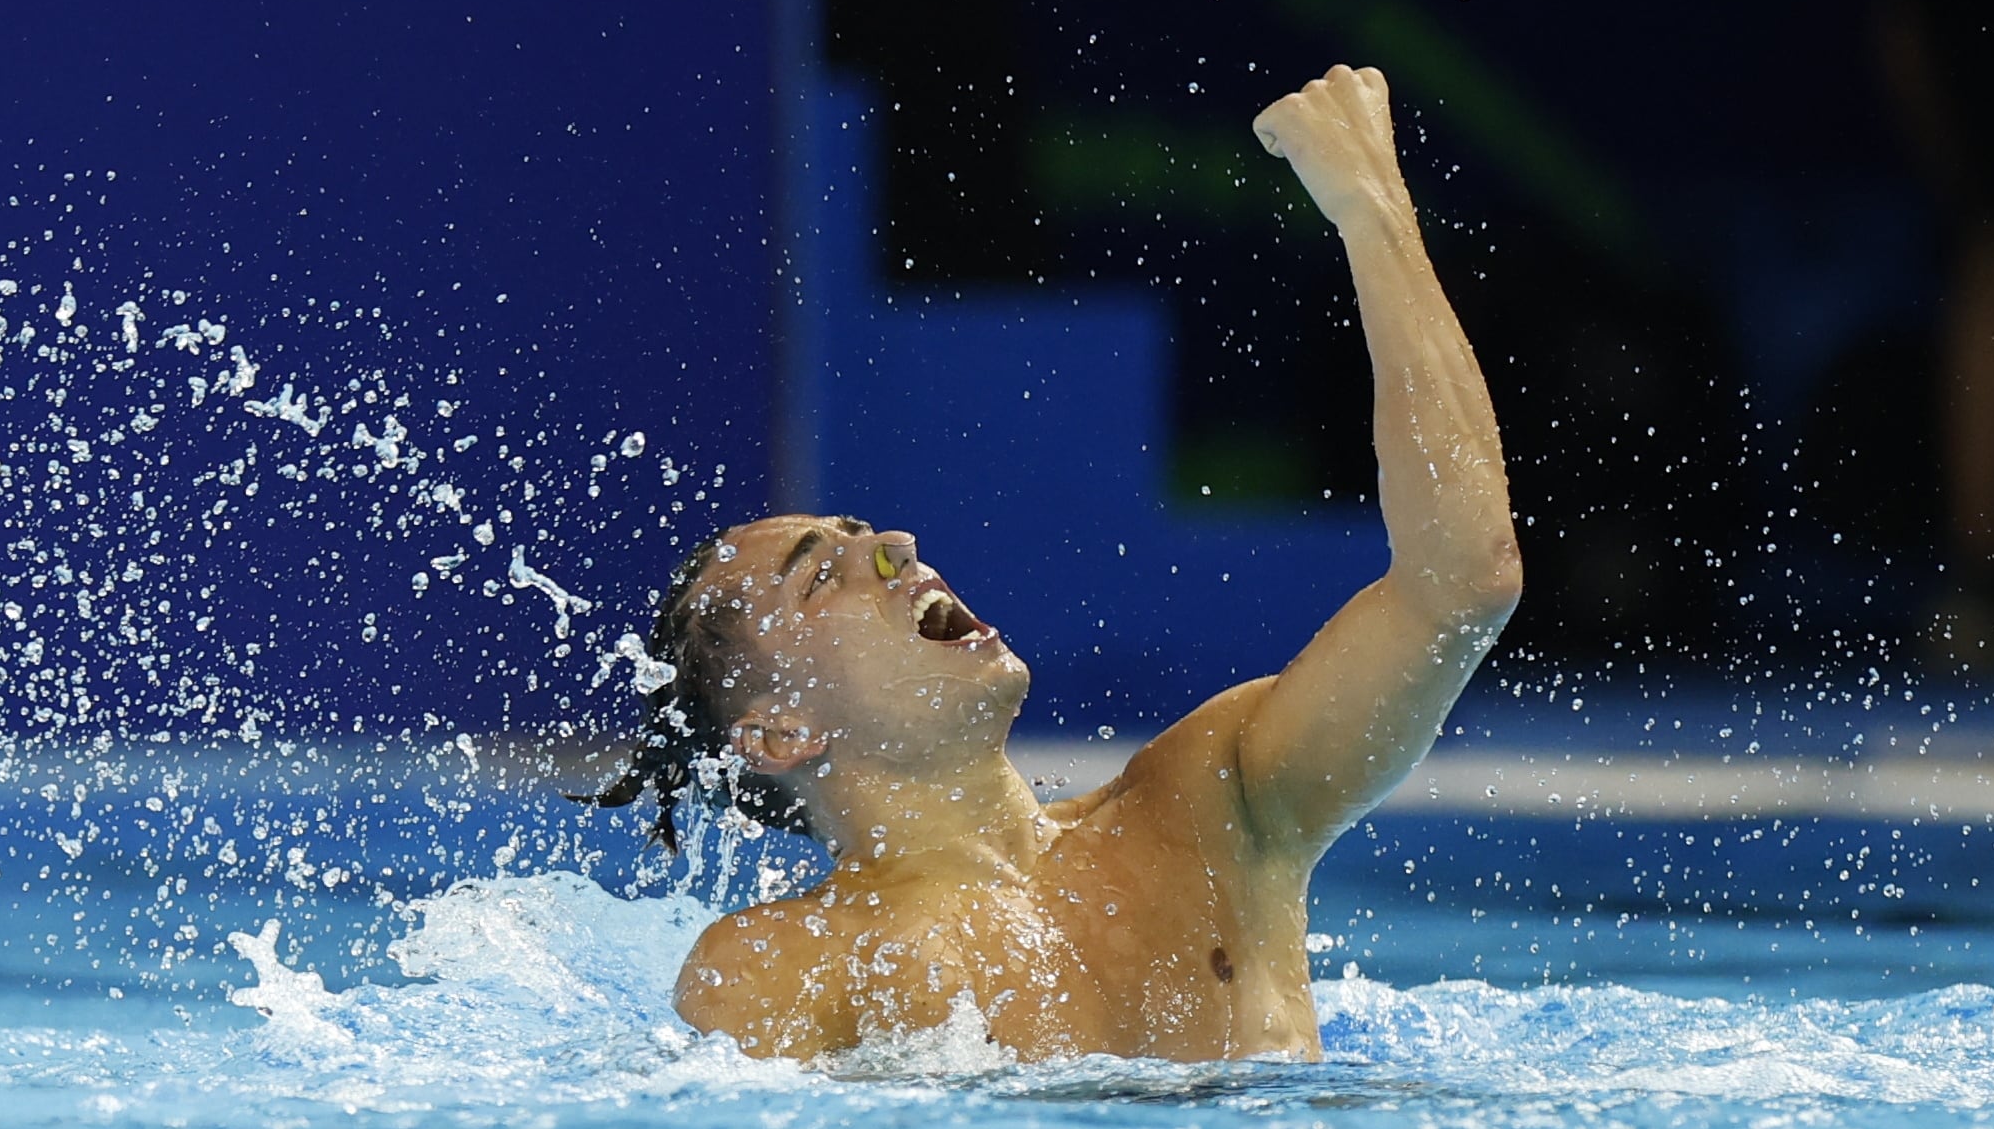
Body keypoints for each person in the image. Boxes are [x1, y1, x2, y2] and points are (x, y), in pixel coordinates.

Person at [593, 66, 1519, 1062]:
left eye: (872, 537)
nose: (895, 551)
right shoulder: (780, 965)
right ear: (779, 732)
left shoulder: (1212, 802)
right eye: (825, 572)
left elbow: (1461, 580)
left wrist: (1368, 203)